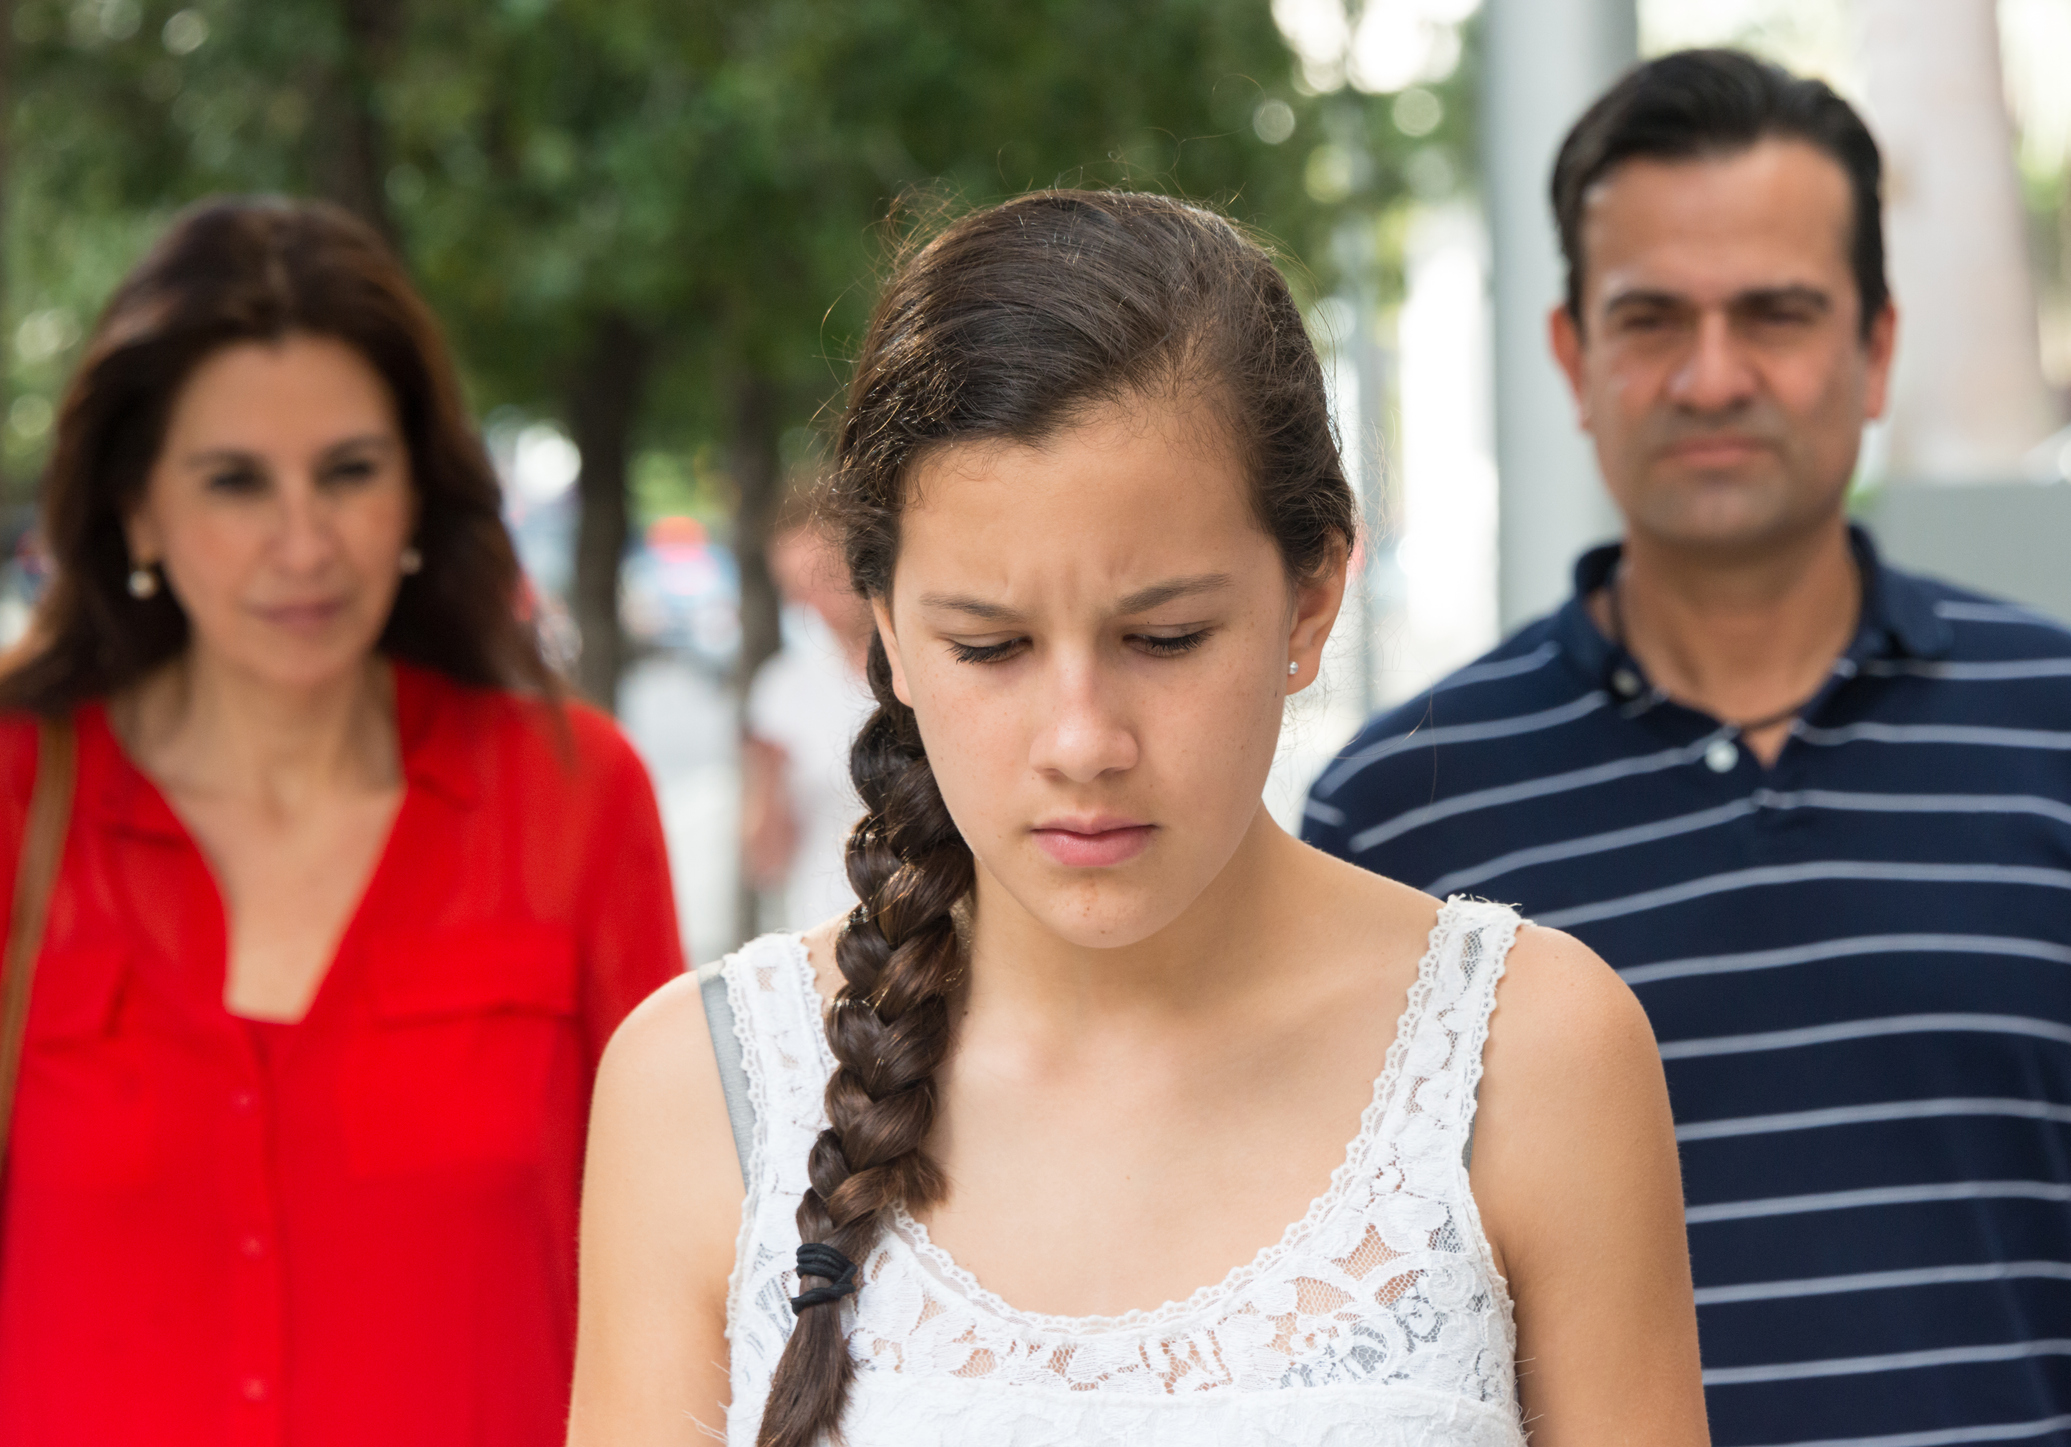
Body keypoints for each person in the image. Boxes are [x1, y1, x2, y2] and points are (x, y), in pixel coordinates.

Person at [569, 190, 1708, 1447]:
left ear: (1313, 596)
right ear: (885, 632)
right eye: (989, 646)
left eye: (1164, 638)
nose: (1082, 741)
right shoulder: (702, 1089)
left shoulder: (1530, 1054)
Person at [1304, 48, 2071, 1446]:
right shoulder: (1397, 813)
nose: (1709, 375)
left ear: (1875, 346)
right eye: (1650, 317)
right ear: (1569, 356)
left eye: (1773, 312)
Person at [0, 197, 685, 1446]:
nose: (303, 541)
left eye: (349, 472)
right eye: (234, 482)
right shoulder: (12, 802)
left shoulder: (574, 797)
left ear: (418, 492)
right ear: (136, 510)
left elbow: (684, 1269)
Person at [741, 517, 874, 929]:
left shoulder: (920, 669)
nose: (810, 603)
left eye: (823, 577)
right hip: (827, 925)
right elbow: (766, 862)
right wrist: (767, 780)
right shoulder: (785, 686)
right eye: (796, 589)